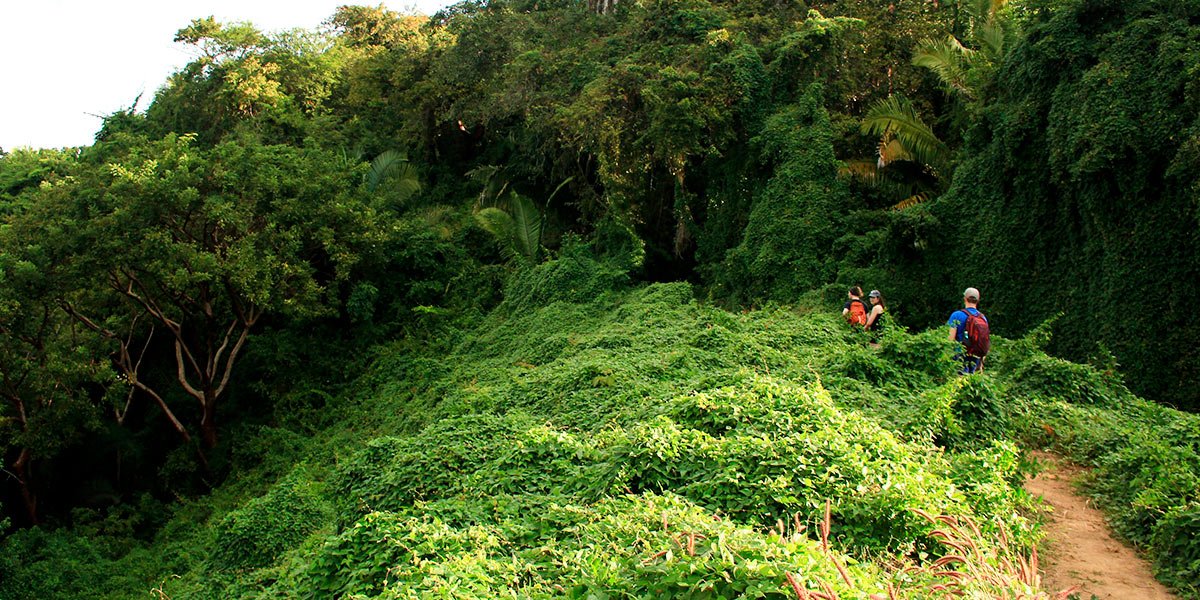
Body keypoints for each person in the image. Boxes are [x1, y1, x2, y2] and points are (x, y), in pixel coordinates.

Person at [947, 287, 990, 374]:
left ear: (965, 299)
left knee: (959, 382)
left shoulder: (956, 315)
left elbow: (950, 340)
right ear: (978, 300)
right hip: (976, 355)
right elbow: (985, 339)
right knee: (972, 383)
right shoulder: (983, 318)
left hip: (959, 355)